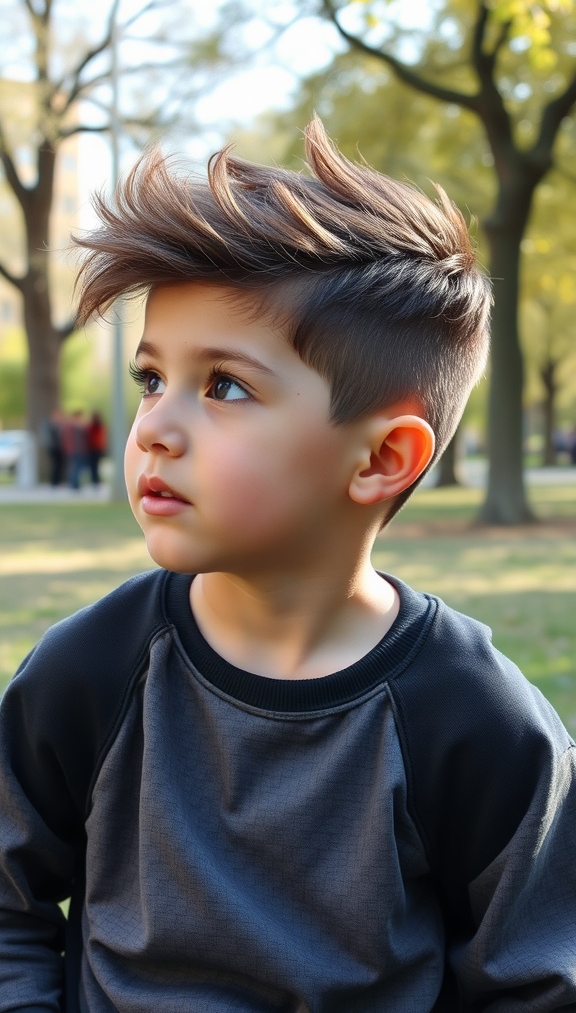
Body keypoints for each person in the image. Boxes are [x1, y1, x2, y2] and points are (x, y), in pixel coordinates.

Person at [0, 118, 575, 1012]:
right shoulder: (92, 668)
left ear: (382, 458)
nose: (153, 425)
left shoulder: (478, 723)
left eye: (224, 386)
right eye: (153, 378)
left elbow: (537, 986)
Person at [86, 410, 107, 485]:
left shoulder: (92, 427)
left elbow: (90, 438)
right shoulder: (100, 426)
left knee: (93, 465)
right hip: (98, 448)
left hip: (93, 448)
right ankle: (96, 480)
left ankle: (94, 480)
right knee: (96, 465)